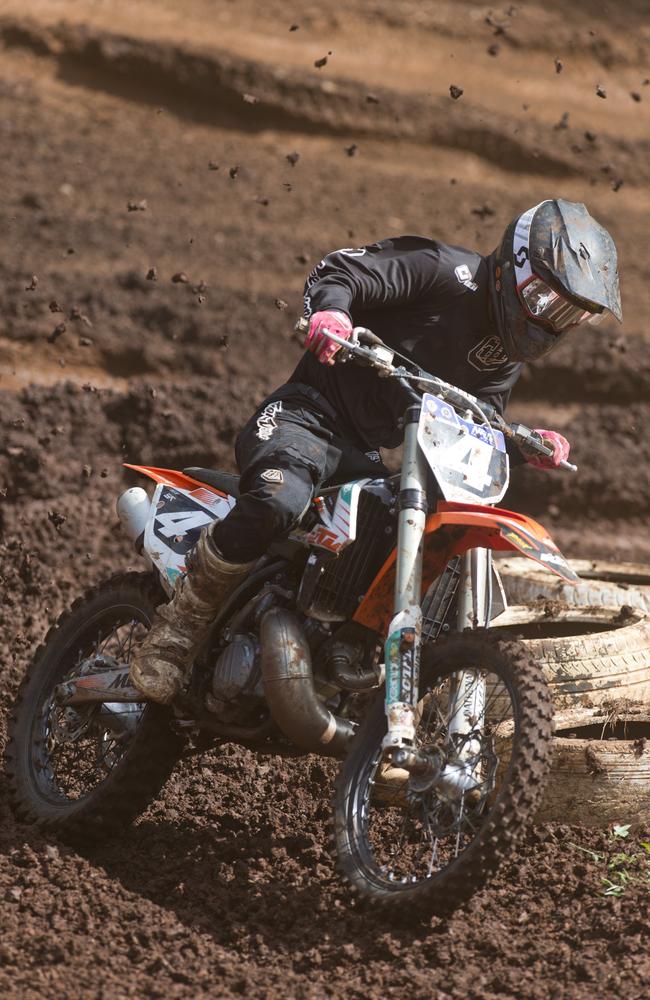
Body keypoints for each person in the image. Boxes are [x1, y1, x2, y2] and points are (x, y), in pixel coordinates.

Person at [130, 198, 622, 704]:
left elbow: (477, 426)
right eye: (547, 300)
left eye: (568, 314)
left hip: (362, 455)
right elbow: (343, 269)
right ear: (516, 267)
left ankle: (350, 648)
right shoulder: (444, 272)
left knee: (402, 527)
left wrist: (522, 445)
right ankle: (178, 629)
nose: (551, 319)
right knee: (281, 500)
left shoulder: (503, 355)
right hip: (305, 417)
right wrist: (332, 313)